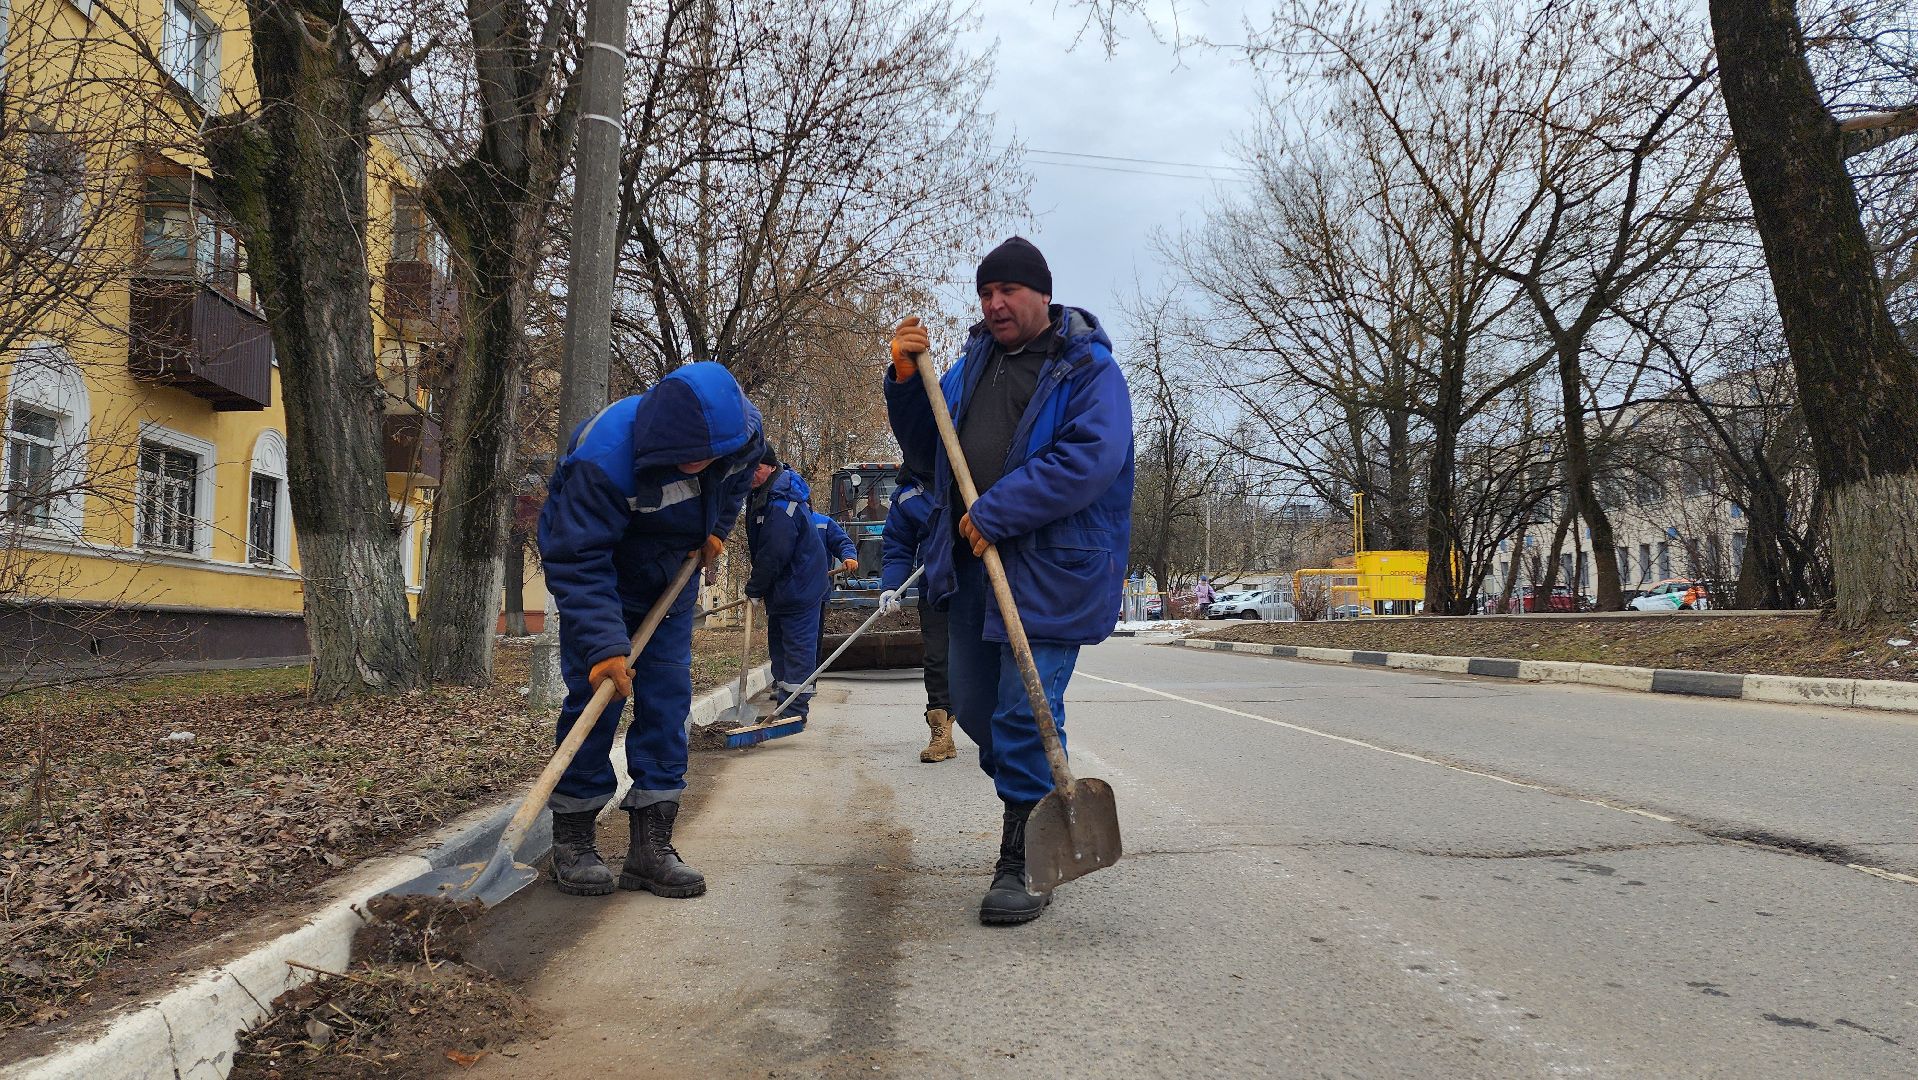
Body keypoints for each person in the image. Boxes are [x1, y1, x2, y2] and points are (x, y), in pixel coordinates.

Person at [883, 236, 1133, 926]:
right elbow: (928, 451)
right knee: (973, 707)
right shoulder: (971, 364)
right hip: (970, 564)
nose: (994, 304)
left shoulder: (1088, 370)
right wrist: (905, 383)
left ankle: (1022, 859)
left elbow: (1091, 458)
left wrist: (999, 509)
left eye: (1008, 292)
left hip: (1050, 569)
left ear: (1042, 294)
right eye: (985, 293)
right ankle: (1039, 802)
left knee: (1025, 710)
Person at [537, 362, 763, 899]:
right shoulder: (604, 460)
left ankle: (650, 849)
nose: (700, 465)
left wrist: (716, 531)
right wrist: (603, 645)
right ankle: (574, 840)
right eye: (689, 458)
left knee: (666, 701)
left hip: (671, 577)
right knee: (596, 701)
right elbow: (577, 559)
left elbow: (735, 483)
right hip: (603, 581)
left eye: (709, 457)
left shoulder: (741, 434)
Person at [746, 448, 831, 723]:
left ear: (771, 467)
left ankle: (794, 711)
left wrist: (755, 588)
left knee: (797, 649)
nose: (751, 474)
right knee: (780, 649)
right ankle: (785, 706)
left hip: (799, 586)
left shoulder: (783, 504)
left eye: (757, 468)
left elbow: (774, 552)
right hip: (783, 587)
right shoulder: (762, 495)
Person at [878, 465, 956, 763]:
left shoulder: (972, 470)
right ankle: (941, 731)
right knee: (937, 659)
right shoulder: (907, 496)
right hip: (936, 586)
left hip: (980, 583)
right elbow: (898, 545)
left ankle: (997, 734)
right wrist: (891, 586)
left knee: (986, 658)